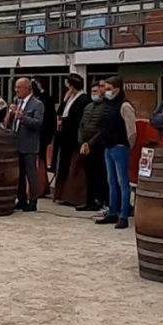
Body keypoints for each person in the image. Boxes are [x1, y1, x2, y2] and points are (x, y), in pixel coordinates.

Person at [83, 77, 136, 229]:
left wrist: (127, 145)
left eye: (107, 88)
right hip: (108, 146)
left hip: (120, 146)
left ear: (117, 89)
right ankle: (113, 211)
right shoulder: (107, 105)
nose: (104, 91)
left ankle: (124, 215)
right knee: (111, 182)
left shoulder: (125, 106)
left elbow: (132, 131)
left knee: (122, 182)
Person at [5, 77, 45, 212]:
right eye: (16, 87)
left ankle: (33, 200)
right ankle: (21, 199)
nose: (16, 90)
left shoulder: (37, 104)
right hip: (16, 143)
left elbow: (38, 123)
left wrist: (22, 117)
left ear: (28, 89)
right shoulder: (16, 102)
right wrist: (10, 115)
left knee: (31, 174)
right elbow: (11, 123)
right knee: (19, 174)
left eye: (19, 87)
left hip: (29, 145)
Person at [52, 74, 89, 206]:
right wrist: (64, 100)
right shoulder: (70, 98)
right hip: (64, 136)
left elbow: (77, 118)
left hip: (74, 137)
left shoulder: (83, 99)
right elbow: (61, 113)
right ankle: (62, 195)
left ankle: (75, 197)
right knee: (64, 166)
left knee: (75, 167)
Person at [75, 82, 108, 212]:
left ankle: (100, 200)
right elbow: (81, 125)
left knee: (100, 174)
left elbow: (102, 129)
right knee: (88, 175)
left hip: (98, 146)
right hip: (84, 146)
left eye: (97, 90)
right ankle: (89, 201)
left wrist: (90, 143)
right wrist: (81, 142)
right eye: (92, 90)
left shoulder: (106, 107)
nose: (94, 92)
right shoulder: (88, 107)